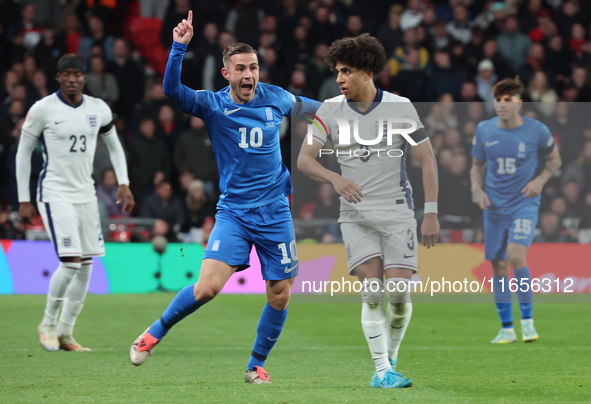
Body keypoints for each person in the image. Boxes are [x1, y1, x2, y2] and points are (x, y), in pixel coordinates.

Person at [129, 11, 319, 384]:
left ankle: (256, 365)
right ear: (226, 74)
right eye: (241, 69)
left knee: (280, 294)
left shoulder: (276, 98)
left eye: (254, 67)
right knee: (207, 288)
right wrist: (178, 49)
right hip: (234, 212)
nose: (249, 75)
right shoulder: (213, 105)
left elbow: (314, 109)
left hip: (276, 211)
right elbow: (172, 91)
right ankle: (153, 333)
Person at [297, 34, 439, 389]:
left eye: (346, 72)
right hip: (355, 214)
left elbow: (427, 160)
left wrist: (432, 212)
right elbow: (303, 159)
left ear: (368, 72)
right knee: (372, 291)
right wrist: (334, 178)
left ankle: (389, 361)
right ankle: (382, 371)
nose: (339, 79)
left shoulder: (401, 107)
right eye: (337, 72)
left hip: (397, 212)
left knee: (398, 296)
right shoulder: (329, 109)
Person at [16, 54, 134, 351]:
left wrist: (124, 182)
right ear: (58, 78)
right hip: (55, 192)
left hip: (86, 194)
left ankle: (66, 332)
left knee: (86, 265)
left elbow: (114, 145)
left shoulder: (98, 109)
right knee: (70, 261)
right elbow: (23, 153)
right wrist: (24, 199)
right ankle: (47, 324)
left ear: (85, 78)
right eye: (65, 74)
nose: (71, 78)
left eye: (76, 74)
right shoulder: (42, 109)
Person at [470, 77, 561, 344]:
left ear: (519, 103)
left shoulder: (537, 130)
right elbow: (476, 166)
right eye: (498, 100)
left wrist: (540, 181)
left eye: (507, 101)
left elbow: (555, 160)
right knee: (498, 266)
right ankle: (507, 328)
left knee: (515, 255)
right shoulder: (484, 130)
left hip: (524, 202)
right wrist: (476, 189)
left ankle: (528, 322)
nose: (502, 105)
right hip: (494, 207)